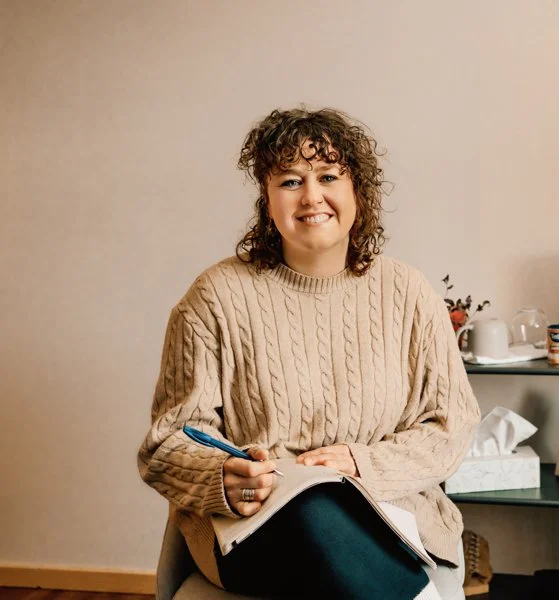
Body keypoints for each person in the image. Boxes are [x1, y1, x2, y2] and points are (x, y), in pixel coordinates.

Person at [138, 107, 481, 599]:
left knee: (332, 515)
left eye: (328, 176)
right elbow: (166, 442)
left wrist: (361, 464)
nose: (311, 196)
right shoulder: (214, 298)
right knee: (308, 508)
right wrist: (222, 477)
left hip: (386, 514)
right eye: (290, 181)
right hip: (260, 528)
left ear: (356, 191)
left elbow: (453, 426)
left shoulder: (408, 293)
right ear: (267, 198)